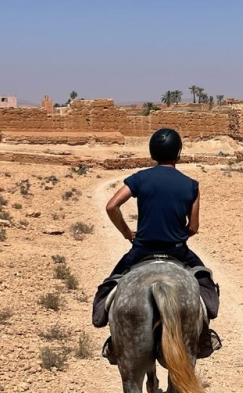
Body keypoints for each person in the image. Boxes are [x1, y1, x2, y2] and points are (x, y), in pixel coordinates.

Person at [91, 127, 221, 361]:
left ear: (152, 152)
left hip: (142, 250)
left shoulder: (140, 178)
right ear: (178, 153)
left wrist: (127, 233)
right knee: (205, 284)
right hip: (177, 251)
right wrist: (176, 235)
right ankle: (203, 338)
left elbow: (112, 206)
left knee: (109, 286)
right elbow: (193, 227)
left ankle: (113, 339)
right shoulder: (191, 185)